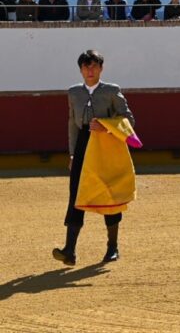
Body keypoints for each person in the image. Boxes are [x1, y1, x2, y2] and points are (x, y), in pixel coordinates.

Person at [51, 50, 136, 266]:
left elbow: (129, 119)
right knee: (77, 193)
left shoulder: (111, 90)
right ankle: (69, 250)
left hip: (106, 145)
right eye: (86, 67)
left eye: (94, 66)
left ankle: (112, 247)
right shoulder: (73, 93)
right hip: (82, 144)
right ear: (80, 70)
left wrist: (107, 127)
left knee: (109, 191)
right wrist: (72, 152)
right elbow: (72, 123)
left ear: (101, 68)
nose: (90, 70)